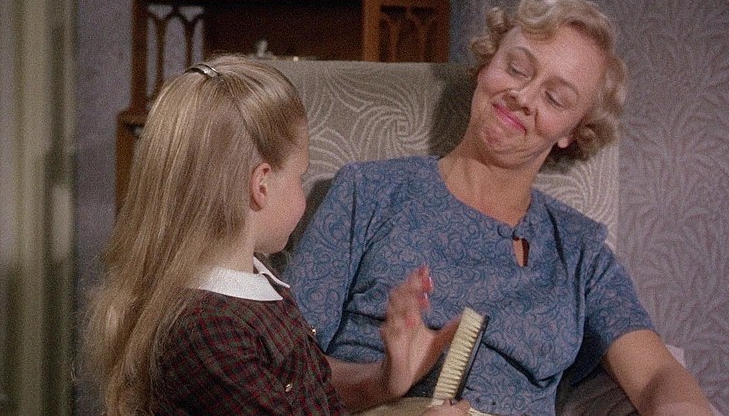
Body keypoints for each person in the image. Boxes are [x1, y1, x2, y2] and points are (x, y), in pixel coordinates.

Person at [283, 0, 714, 415]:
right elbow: (284, 365)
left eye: (555, 98)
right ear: (487, 64)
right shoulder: (370, 192)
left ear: (572, 130)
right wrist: (382, 381)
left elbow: (657, 374)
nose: (523, 97)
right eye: (517, 69)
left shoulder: (578, 251)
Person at [82, 55, 471, 415]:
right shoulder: (209, 332)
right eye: (300, 176)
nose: (303, 191)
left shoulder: (254, 284)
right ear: (262, 185)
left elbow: (305, 398)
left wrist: (386, 380)